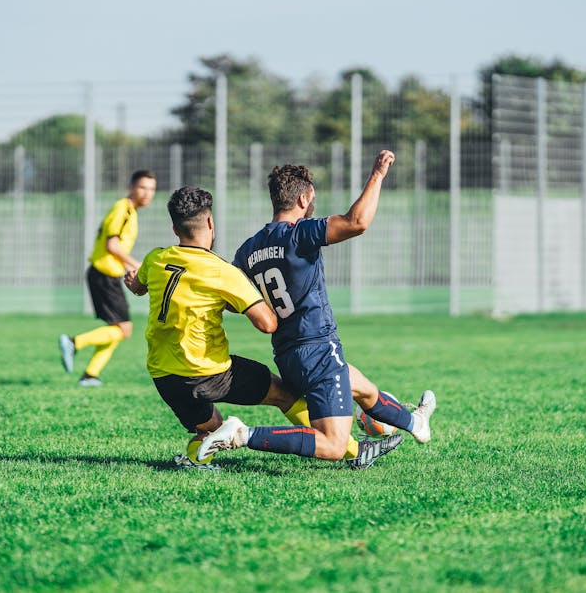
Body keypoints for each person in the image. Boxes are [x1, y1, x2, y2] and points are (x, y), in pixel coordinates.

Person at [125, 186, 393, 470]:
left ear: (174, 228)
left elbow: (138, 286)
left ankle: (195, 458)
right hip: (210, 373)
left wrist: (135, 283)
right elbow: (268, 324)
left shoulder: (155, 259)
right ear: (210, 223)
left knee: (211, 428)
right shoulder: (223, 272)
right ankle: (353, 451)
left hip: (164, 377)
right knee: (284, 395)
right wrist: (245, 299)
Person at [199, 149, 436, 465]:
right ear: (301, 201)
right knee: (334, 446)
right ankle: (243, 435)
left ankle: (415, 423)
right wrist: (377, 175)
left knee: (365, 391)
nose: (313, 205)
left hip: (287, 355)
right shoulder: (299, 233)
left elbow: (231, 302)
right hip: (318, 349)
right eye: (312, 199)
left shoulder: (249, 249)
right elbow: (357, 222)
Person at [59, 169, 157, 386]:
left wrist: (127, 267)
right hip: (103, 275)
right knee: (124, 329)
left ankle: (90, 375)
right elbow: (111, 245)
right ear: (131, 187)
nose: (147, 193)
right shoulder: (123, 209)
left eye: (151, 189)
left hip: (108, 275)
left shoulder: (130, 211)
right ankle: (74, 343)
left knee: (117, 329)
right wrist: (137, 265)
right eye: (142, 187)